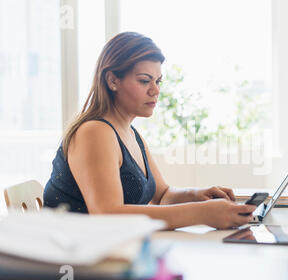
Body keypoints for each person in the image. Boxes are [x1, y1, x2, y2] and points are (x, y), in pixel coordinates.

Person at [43, 32, 256, 229]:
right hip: (76, 256)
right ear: (112, 80)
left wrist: (199, 195)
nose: (155, 90)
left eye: (158, 81)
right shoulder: (94, 132)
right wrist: (202, 214)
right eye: (144, 80)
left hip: (107, 251)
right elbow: (106, 214)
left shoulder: (131, 134)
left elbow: (163, 195)